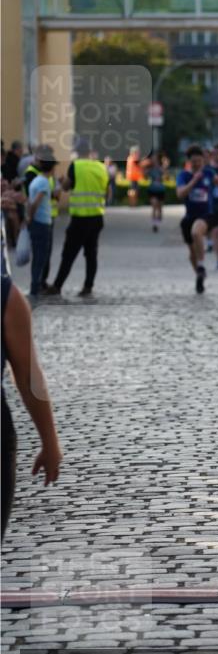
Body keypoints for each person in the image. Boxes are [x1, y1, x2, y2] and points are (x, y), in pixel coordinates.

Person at [2, 275, 62, 538]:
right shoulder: (6, 295)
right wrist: (50, 443)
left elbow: (28, 379)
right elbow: (28, 378)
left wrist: (50, 443)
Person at [45, 141, 109, 297]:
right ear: (90, 152)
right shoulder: (101, 167)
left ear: (78, 152)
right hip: (97, 217)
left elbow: (67, 186)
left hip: (80, 218)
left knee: (69, 253)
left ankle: (57, 286)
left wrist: (62, 181)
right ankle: (88, 287)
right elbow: (108, 193)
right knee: (91, 254)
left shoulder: (76, 166)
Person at [176, 144, 218, 294]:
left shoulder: (209, 173)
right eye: (194, 161)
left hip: (207, 215)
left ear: (203, 160)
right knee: (192, 253)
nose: (197, 164)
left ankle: (201, 265)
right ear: (189, 161)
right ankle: (199, 275)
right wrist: (193, 181)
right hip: (189, 216)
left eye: (199, 161)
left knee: (196, 232)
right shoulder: (183, 175)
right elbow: (180, 194)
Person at [25, 149, 57, 300]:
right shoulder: (44, 182)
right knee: (40, 258)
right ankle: (35, 288)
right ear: (52, 167)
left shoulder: (36, 180)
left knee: (37, 257)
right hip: (42, 223)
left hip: (38, 223)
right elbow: (36, 202)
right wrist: (31, 217)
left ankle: (34, 287)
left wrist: (29, 217)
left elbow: (30, 201)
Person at [146, 153, 167, 232]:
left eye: (155, 158)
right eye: (152, 159)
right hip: (152, 190)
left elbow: (166, 176)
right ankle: (155, 225)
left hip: (161, 190)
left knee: (160, 209)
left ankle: (157, 222)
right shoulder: (150, 169)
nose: (154, 160)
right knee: (154, 206)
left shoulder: (161, 168)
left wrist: (164, 167)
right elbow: (144, 175)